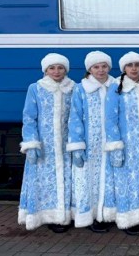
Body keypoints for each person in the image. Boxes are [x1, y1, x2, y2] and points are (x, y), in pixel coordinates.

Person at [18, 53, 75, 232]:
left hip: (67, 144)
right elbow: (29, 117)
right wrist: (31, 142)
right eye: (52, 68)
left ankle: (66, 215)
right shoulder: (35, 88)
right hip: (45, 145)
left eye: (60, 68)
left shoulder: (73, 88)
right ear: (45, 70)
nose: (56, 72)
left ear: (65, 69)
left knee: (68, 179)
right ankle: (49, 216)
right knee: (45, 181)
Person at [105, 51, 139, 236]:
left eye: (137, 65)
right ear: (124, 69)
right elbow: (110, 119)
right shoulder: (116, 87)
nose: (134, 68)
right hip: (127, 144)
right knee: (127, 182)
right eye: (129, 65)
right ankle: (128, 219)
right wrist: (115, 145)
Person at [67, 51, 116, 232]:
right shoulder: (81, 89)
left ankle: (107, 214)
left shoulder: (115, 86)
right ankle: (90, 217)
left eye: (104, 66)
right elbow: (75, 117)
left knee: (109, 179)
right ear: (90, 69)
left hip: (110, 142)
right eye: (96, 67)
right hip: (90, 143)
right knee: (88, 180)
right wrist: (77, 145)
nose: (101, 70)